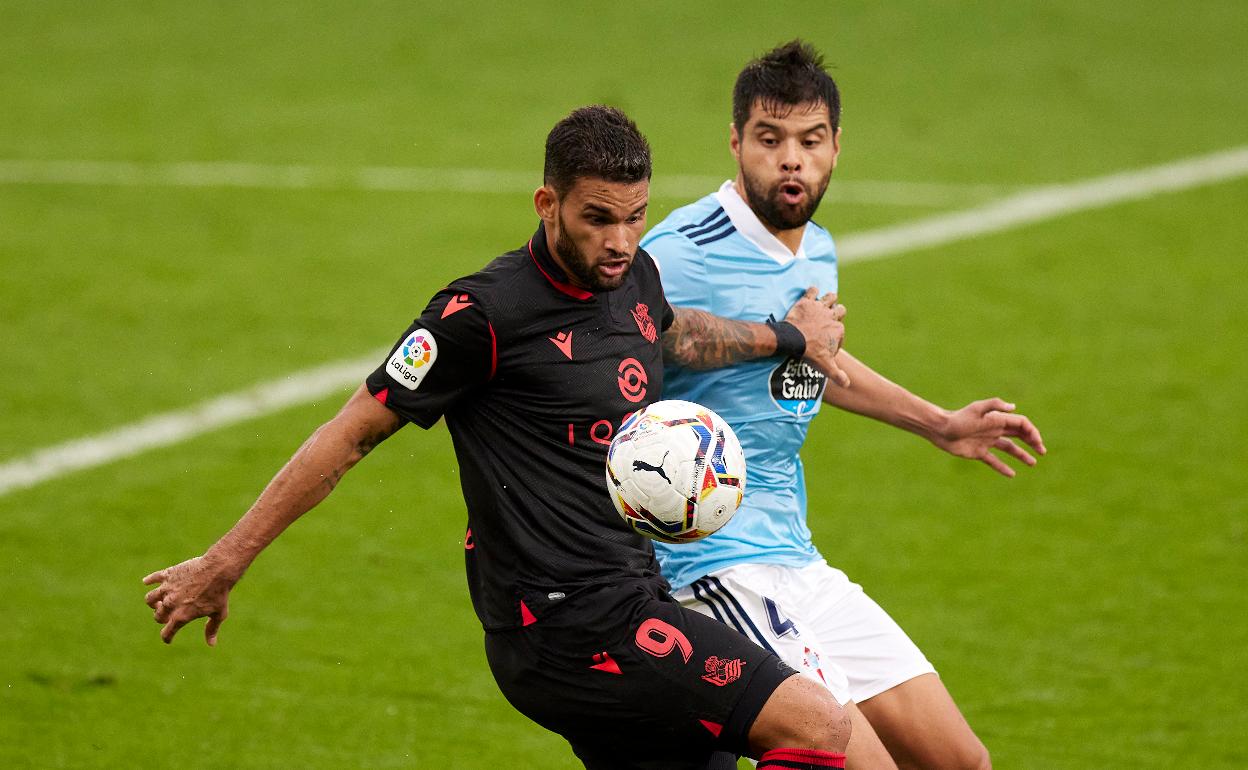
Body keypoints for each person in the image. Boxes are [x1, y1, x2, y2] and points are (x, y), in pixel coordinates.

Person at [142, 105, 859, 770]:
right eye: (597, 219)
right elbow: (350, 434)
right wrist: (226, 560)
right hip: (565, 629)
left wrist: (788, 336)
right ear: (548, 204)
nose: (619, 241)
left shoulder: (633, 275)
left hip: (635, 597)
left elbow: (678, 334)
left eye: (635, 217)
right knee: (818, 728)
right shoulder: (481, 315)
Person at [644, 42, 1047, 770]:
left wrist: (940, 423)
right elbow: (651, 337)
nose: (791, 160)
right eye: (770, 141)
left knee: (962, 761)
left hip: (795, 555)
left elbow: (820, 361)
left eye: (810, 140)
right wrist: (788, 333)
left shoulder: (816, 248)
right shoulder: (683, 248)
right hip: (714, 565)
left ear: (836, 146)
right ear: (736, 142)